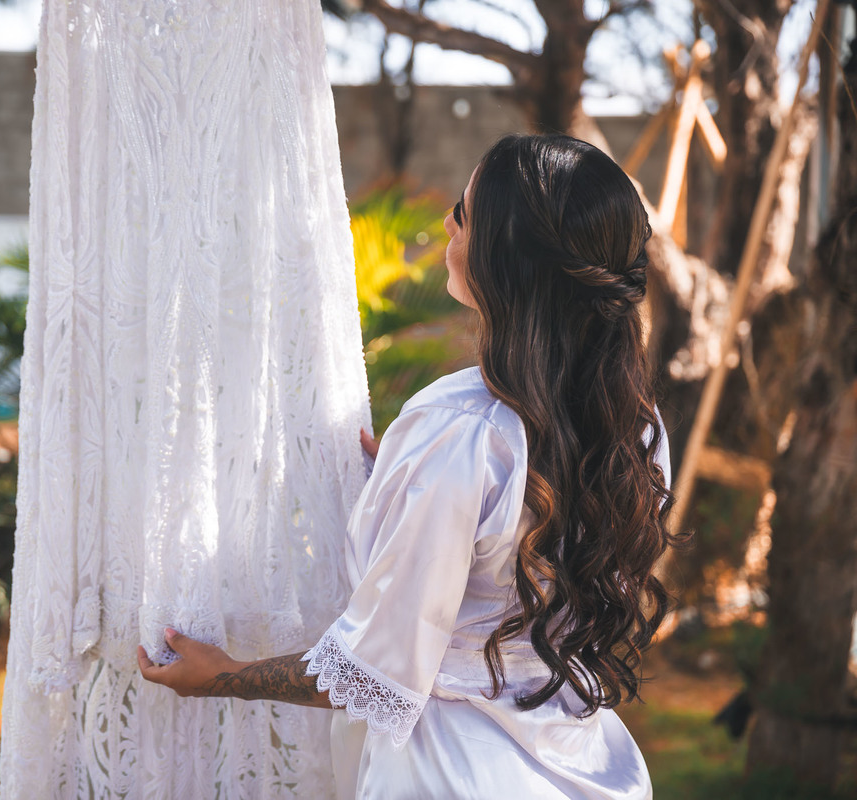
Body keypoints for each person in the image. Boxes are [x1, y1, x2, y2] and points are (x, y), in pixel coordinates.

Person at [138, 133, 677, 799]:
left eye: (464, 211)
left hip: (453, 773)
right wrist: (408, 481)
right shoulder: (636, 428)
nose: (448, 223)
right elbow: (512, 542)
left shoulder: (461, 432)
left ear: (504, 260)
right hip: (578, 764)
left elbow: (374, 670)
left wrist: (220, 675)